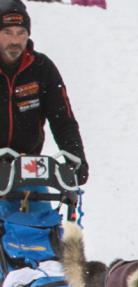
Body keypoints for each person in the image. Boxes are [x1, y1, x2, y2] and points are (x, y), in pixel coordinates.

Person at [0, 0, 89, 185]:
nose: (15, 41)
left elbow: (62, 120)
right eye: (7, 33)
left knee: (40, 215)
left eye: (21, 33)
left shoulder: (41, 68)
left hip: (27, 168)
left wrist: (75, 159)